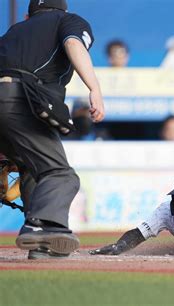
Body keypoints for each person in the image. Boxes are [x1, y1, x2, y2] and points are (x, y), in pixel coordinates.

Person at [0, 0, 105, 259]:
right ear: (63, 10)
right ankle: (41, 227)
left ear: (28, 15)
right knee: (60, 174)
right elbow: (73, 43)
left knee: (33, 169)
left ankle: (42, 245)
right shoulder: (67, 20)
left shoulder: (14, 32)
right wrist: (95, 88)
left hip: (9, 102)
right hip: (18, 100)